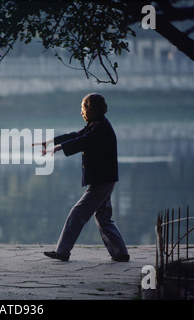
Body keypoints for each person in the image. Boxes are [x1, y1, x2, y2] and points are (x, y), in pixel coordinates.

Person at [33, 93, 129, 262]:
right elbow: (75, 135)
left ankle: (62, 251)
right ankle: (120, 253)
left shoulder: (100, 128)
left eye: (83, 108)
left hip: (102, 180)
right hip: (104, 179)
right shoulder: (96, 124)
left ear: (92, 109)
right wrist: (51, 142)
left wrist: (57, 149)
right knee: (103, 218)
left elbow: (82, 141)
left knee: (78, 213)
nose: (82, 112)